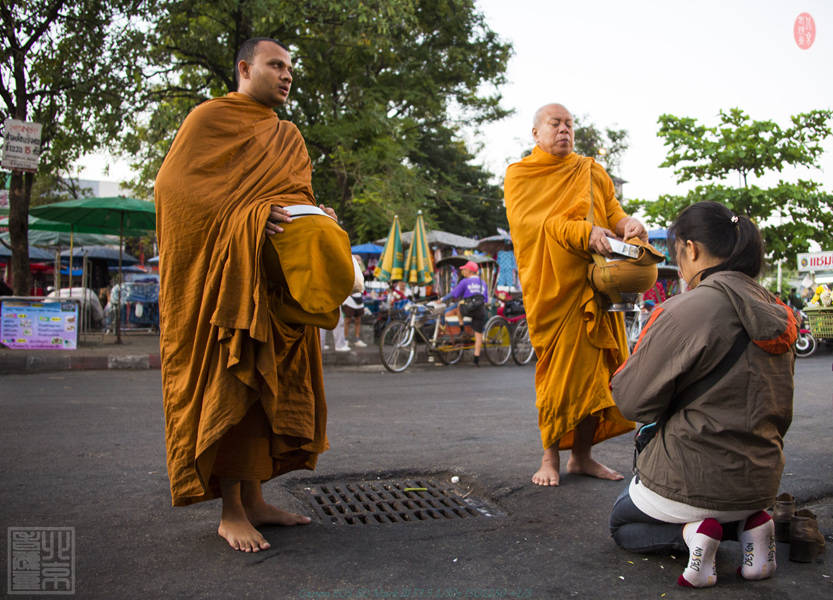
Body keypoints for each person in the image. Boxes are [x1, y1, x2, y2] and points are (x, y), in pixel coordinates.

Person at [155, 37, 347, 553]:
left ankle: (257, 499)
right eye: (276, 65)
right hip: (228, 284)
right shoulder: (207, 121)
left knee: (270, 389)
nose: (287, 76)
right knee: (236, 380)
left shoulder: (288, 136)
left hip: (273, 284)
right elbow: (177, 195)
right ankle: (232, 511)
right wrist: (250, 218)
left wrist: (316, 213)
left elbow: (293, 199)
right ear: (245, 68)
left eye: (290, 69)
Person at [609, 201, 795, 588]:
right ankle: (753, 529)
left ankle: (694, 535)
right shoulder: (780, 313)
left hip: (691, 477)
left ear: (691, 249)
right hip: (761, 480)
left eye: (679, 254)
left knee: (623, 522)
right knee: (732, 505)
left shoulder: (683, 310)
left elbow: (632, 402)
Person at [504, 103, 647, 486]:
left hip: (598, 286)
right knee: (558, 376)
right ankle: (549, 456)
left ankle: (581, 457)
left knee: (599, 374)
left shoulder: (590, 171)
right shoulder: (520, 175)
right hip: (555, 291)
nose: (564, 129)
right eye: (555, 123)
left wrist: (626, 223)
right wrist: (584, 233)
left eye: (569, 123)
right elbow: (534, 226)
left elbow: (612, 212)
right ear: (536, 133)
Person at [441, 260, 488, 366]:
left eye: (464, 269)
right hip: (480, 309)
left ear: (470, 271)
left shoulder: (465, 282)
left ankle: (461, 328)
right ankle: (476, 358)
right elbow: (485, 300)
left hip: (467, 309)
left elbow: (454, 294)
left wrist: (442, 299)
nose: (462, 271)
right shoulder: (483, 282)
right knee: (478, 335)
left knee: (458, 306)